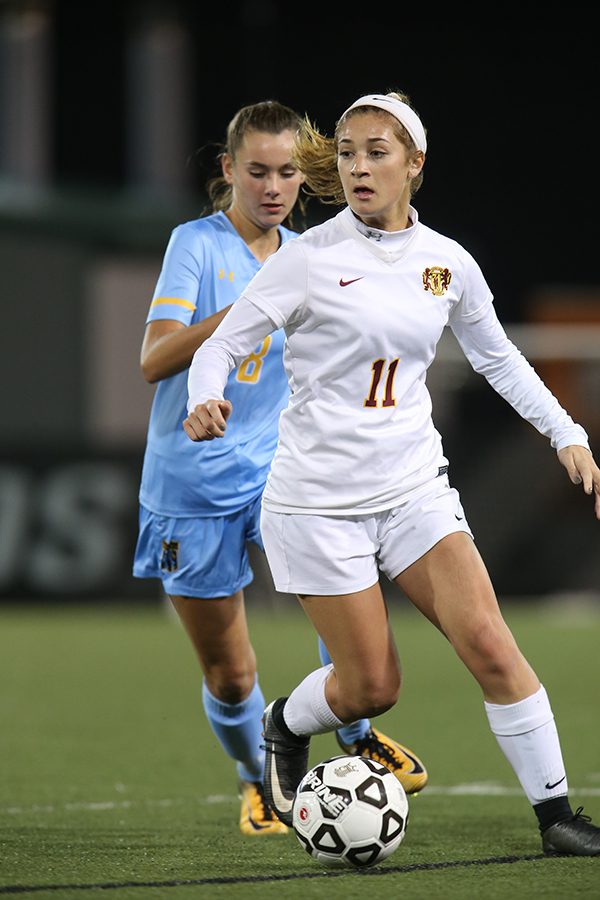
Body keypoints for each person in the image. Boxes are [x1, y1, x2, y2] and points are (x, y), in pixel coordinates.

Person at [184, 91, 600, 855]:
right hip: (317, 505)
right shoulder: (308, 259)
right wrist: (204, 395)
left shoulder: (446, 263)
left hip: (412, 489)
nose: (358, 167)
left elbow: (499, 357)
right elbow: (220, 344)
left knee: (492, 644)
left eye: (377, 152)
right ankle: (285, 721)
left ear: (416, 164)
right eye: (346, 153)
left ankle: (557, 819)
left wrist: (565, 433)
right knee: (373, 688)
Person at [133, 99, 428, 838]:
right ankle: (255, 779)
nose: (273, 187)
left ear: (307, 176)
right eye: (257, 171)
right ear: (229, 170)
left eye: (288, 172)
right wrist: (244, 312)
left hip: (281, 475)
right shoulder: (195, 246)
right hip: (192, 486)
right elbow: (154, 358)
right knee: (231, 673)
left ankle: (356, 736)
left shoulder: (314, 254)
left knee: (346, 598)